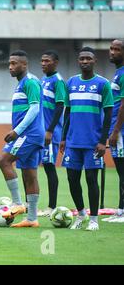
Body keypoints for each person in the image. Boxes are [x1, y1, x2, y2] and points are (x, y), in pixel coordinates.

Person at [60, 47, 113, 231]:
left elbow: (108, 114)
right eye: (82, 58)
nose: (84, 61)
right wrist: (64, 138)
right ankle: (81, 215)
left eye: (88, 59)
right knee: (72, 179)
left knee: (91, 179)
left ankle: (93, 220)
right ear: (78, 61)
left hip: (93, 142)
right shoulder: (71, 83)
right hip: (73, 142)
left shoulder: (102, 84)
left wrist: (102, 141)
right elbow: (67, 112)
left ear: (95, 61)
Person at [0, 50, 45, 228]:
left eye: (14, 63)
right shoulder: (21, 84)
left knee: (3, 160)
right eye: (9, 64)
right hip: (30, 134)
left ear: (24, 65)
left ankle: (17, 203)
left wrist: (17, 131)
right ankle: (32, 218)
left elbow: (34, 109)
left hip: (28, 134)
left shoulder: (30, 82)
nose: (10, 67)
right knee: (29, 174)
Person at [37, 50, 67, 217]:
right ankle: (31, 204)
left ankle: (52, 207)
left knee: (49, 168)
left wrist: (49, 130)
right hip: (41, 132)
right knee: (42, 166)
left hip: (51, 133)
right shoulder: (43, 80)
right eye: (42, 60)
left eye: (47, 61)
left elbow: (60, 106)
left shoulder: (58, 81)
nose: (43, 63)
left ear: (55, 62)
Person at [104, 39, 124, 223]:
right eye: (111, 48)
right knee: (120, 170)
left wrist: (116, 130)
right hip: (116, 130)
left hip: (121, 132)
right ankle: (120, 210)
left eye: (117, 49)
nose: (112, 52)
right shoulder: (118, 73)